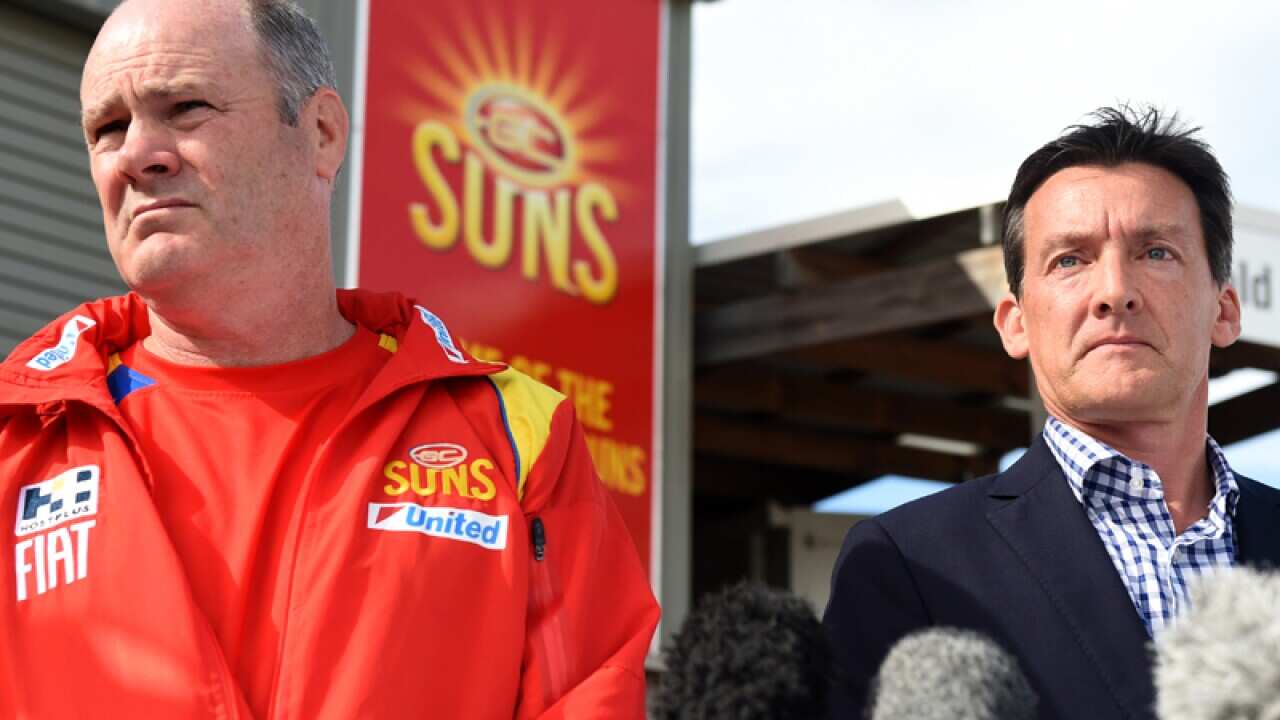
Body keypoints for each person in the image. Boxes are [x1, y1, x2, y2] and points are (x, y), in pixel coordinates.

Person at [0, 1, 658, 717]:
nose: (136, 155)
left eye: (186, 107)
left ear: (321, 132)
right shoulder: (17, 442)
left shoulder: (515, 437)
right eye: (108, 128)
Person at [823, 106, 1280, 720]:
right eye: (1070, 260)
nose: (1114, 291)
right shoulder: (910, 564)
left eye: (1157, 251)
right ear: (1015, 322)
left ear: (1224, 309)